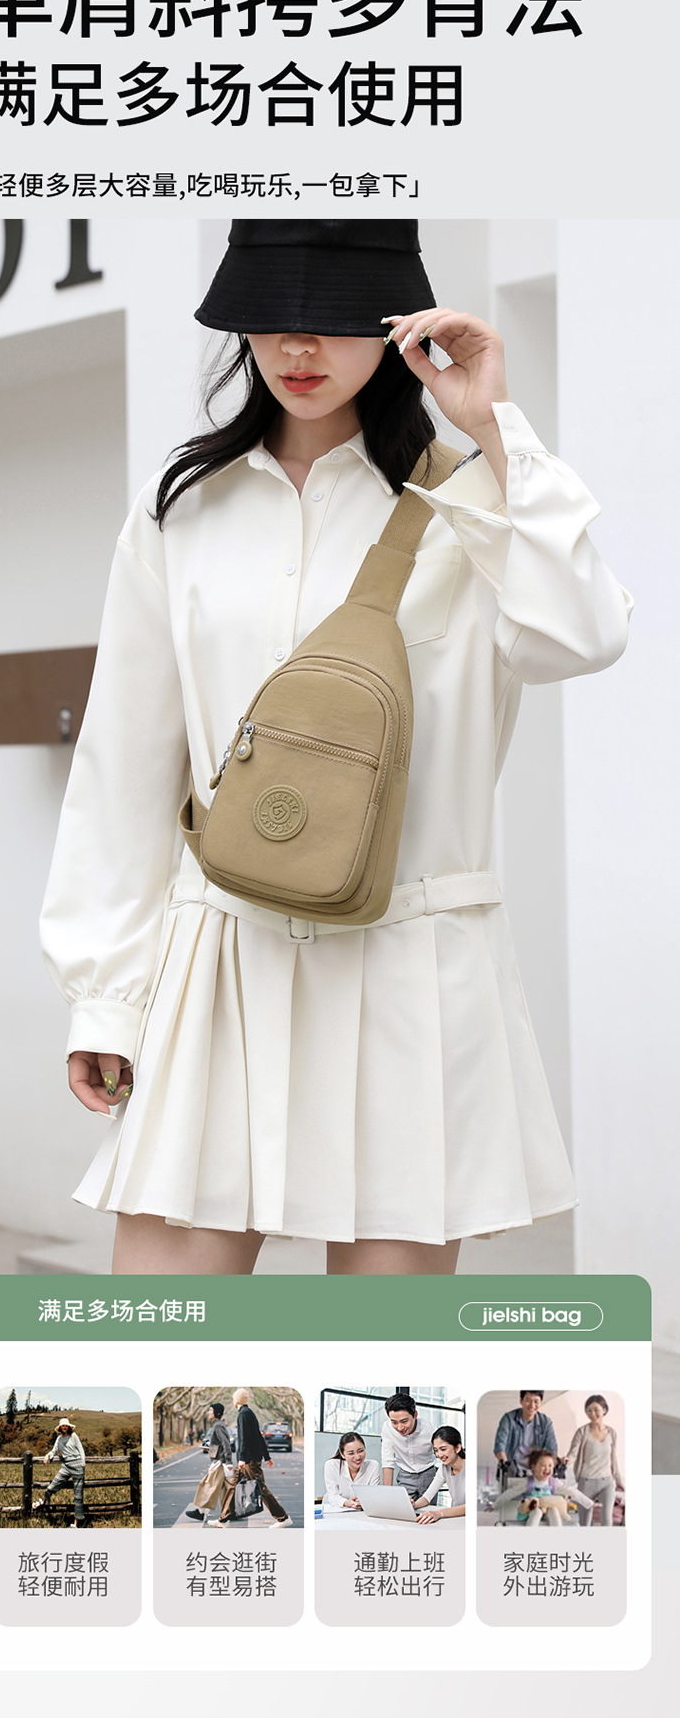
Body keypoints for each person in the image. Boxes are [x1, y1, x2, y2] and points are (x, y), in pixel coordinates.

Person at [40, 219, 631, 1275]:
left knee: (378, 1354)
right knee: (162, 1343)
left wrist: (496, 431)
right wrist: (107, 997)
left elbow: (586, 634)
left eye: (332, 320)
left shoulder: (472, 500)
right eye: (269, 316)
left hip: (411, 969)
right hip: (221, 965)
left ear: (399, 327)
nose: (297, 346)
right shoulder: (184, 508)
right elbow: (125, 765)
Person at [208, 1389, 292, 1528]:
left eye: (234, 1399)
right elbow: (258, 1436)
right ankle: (224, 1519)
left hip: (249, 1461)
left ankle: (283, 1517)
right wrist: (267, 1457)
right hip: (247, 1459)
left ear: (237, 1400)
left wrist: (242, 1458)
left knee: (261, 1488)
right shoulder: (249, 1413)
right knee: (232, 1487)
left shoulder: (243, 1414)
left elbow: (244, 1438)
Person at [566, 1395, 625, 1526]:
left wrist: (619, 1481)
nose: (592, 1413)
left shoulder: (612, 1433)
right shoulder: (582, 1432)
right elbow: (573, 1454)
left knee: (606, 1521)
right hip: (586, 1482)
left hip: (607, 1482)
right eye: (589, 1410)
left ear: (604, 1410)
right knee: (585, 1523)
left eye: (596, 1409)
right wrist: (567, 1460)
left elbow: (613, 1459)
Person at [381, 1393, 445, 1510]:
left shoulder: (430, 1428)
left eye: (404, 1421)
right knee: (404, 1511)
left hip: (428, 1473)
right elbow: (387, 1461)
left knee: (428, 1512)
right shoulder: (387, 1428)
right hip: (405, 1474)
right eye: (394, 1422)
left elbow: (443, 1453)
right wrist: (387, 1495)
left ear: (415, 1415)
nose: (400, 1427)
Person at [185, 1401, 232, 1523]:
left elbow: (226, 1444)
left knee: (207, 1486)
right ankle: (229, 1512)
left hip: (219, 1463)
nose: (209, 1412)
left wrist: (228, 1462)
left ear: (217, 1413)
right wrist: (209, 1448)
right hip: (219, 1462)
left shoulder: (218, 1426)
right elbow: (220, 1444)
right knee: (224, 1489)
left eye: (211, 1410)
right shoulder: (217, 1425)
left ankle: (200, 1512)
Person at [34, 1417, 87, 1527]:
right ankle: (43, 1500)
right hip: (66, 1465)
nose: (64, 1427)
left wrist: (83, 1464)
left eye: (66, 1426)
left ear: (68, 1427)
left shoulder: (73, 1436)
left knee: (78, 1496)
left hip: (78, 1465)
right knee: (53, 1484)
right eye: (62, 1426)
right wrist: (47, 1456)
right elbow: (54, 1451)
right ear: (60, 1428)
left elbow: (81, 1450)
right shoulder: (59, 1439)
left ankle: (76, 1523)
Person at [494, 1392, 558, 1477]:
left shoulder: (546, 1422)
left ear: (540, 1402)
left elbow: (552, 1449)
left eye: (536, 1401)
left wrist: (551, 1465)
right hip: (512, 1471)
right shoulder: (508, 1419)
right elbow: (500, 1446)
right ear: (521, 1401)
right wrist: (505, 1464)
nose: (532, 1405)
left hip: (537, 1472)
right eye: (528, 1400)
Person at [413, 1425, 466, 1523]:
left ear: (458, 1448)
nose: (439, 1455)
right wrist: (413, 1505)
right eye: (436, 1450)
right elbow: (427, 1497)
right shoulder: (443, 1469)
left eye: (443, 1449)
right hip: (454, 1519)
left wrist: (439, 1513)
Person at [322, 1432, 380, 1511]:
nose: (357, 1457)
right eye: (351, 1453)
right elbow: (333, 1496)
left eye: (360, 1451)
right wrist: (346, 1503)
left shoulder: (372, 1466)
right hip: (335, 1509)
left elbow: (374, 1495)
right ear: (342, 1454)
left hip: (362, 1512)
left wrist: (364, 1503)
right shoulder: (332, 1465)